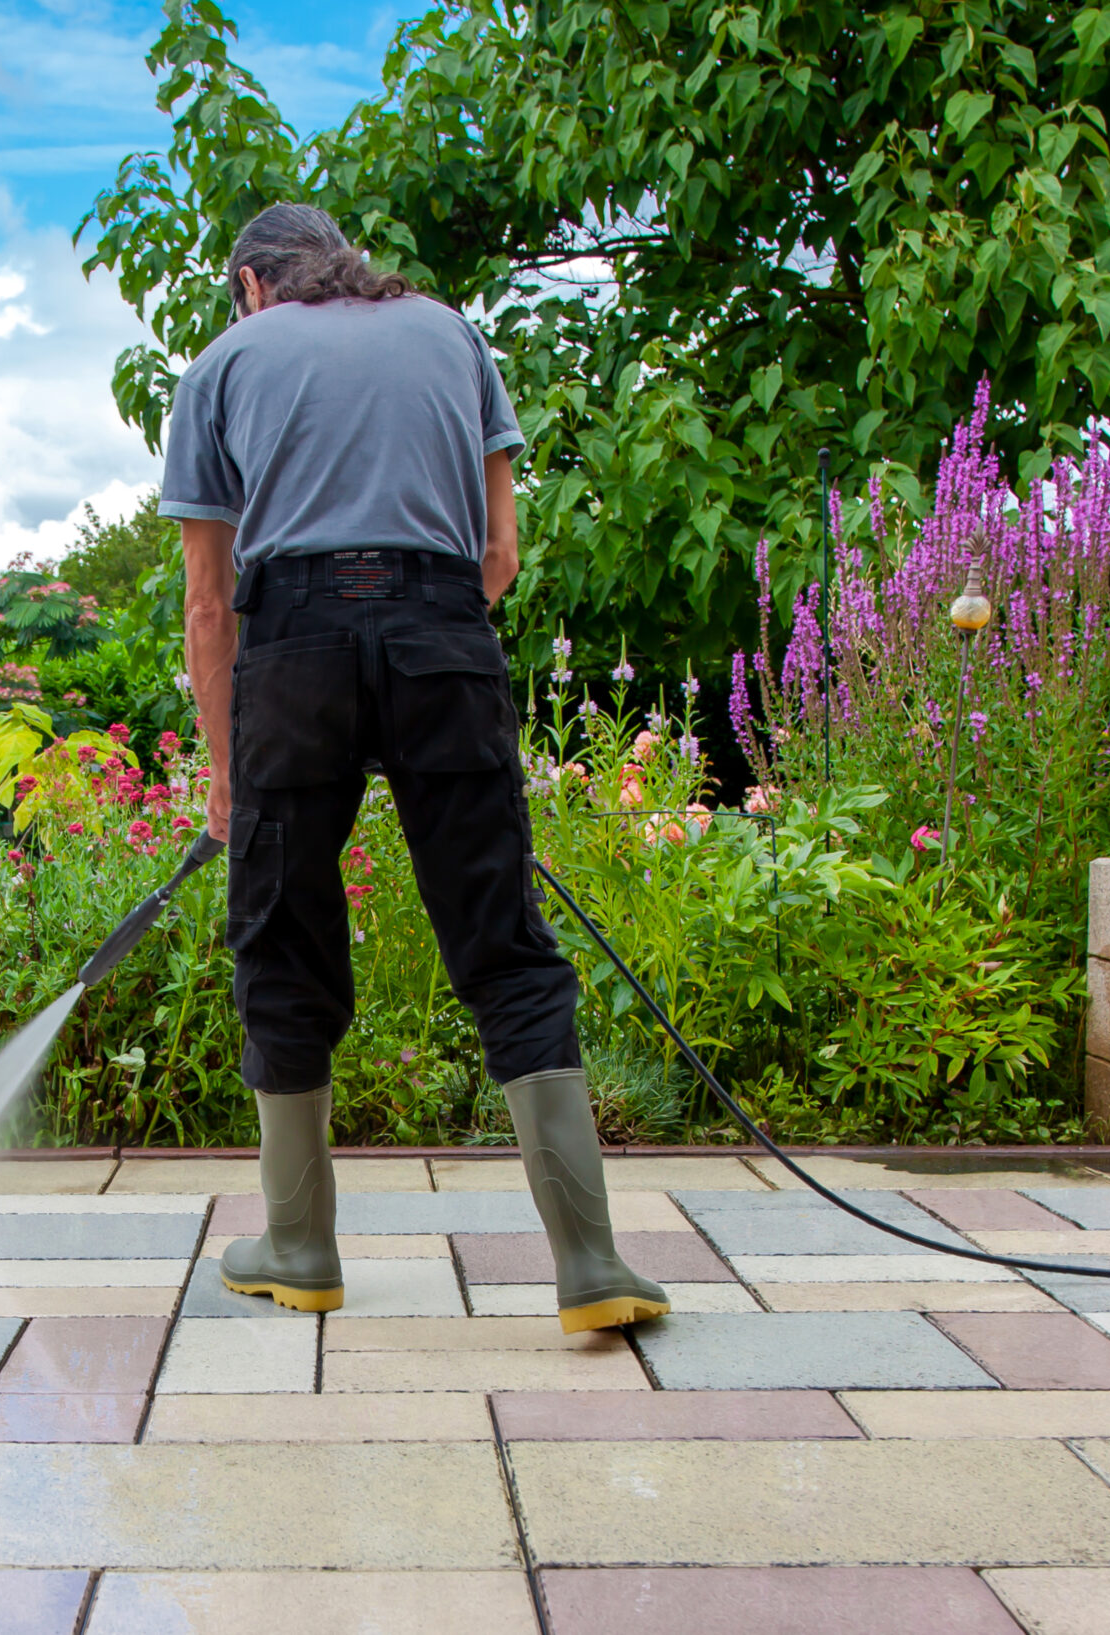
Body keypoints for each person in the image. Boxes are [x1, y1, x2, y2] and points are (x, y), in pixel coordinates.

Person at [160, 202, 670, 1334]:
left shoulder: (224, 363)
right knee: (504, 941)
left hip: (290, 650)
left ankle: (298, 1245)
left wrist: (223, 765)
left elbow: (206, 602)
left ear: (251, 284)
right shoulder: (450, 333)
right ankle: (589, 1266)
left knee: (282, 936)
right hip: (442, 632)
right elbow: (498, 555)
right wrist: (414, 631)